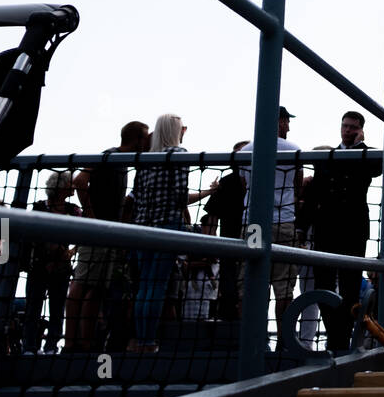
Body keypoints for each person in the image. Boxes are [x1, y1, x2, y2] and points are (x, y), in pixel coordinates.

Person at [130, 113, 214, 352]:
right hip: (167, 226)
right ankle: (148, 342)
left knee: (144, 287)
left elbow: (138, 196)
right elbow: (179, 195)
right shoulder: (179, 155)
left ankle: (141, 340)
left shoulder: (145, 159)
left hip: (142, 227)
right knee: (157, 286)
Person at [64, 120, 148, 352]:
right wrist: (91, 214)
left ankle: (86, 342)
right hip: (97, 232)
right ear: (137, 140)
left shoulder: (123, 163)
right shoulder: (108, 156)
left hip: (108, 233)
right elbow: (80, 180)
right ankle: (71, 343)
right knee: (81, 284)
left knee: (97, 287)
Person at [309, 111, 381, 350]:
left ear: (360, 129)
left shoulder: (366, 154)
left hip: (353, 229)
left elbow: (377, 168)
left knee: (350, 287)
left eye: (352, 127)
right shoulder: (327, 156)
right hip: (326, 229)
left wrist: (361, 145)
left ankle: (341, 336)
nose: (347, 130)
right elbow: (317, 191)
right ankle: (334, 334)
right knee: (323, 285)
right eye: (345, 126)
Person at [239, 106, 303, 343]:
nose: (288, 126)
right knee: (284, 287)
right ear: (280, 122)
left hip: (253, 225)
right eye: (286, 121)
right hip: (283, 221)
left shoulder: (246, 150)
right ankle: (285, 344)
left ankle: (253, 341)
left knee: (252, 283)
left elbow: (244, 184)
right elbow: (298, 186)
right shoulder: (294, 149)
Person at [22, 170, 80, 354]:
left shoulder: (73, 210)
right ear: (61, 187)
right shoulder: (39, 208)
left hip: (61, 266)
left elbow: (86, 230)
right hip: (39, 265)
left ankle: (51, 346)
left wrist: (71, 251)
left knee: (56, 308)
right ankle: (30, 346)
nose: (73, 186)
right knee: (33, 307)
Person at [203, 140, 249, 320]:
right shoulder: (227, 181)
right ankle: (233, 323)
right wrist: (210, 244)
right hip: (232, 240)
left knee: (247, 283)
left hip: (249, 238)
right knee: (231, 285)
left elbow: (211, 217)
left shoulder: (259, 179)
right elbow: (211, 217)